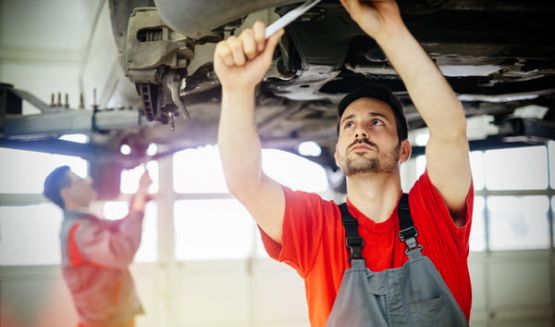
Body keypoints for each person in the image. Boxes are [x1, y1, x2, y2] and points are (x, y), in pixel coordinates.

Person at [214, 0, 473, 326]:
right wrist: (237, 90)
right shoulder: (317, 228)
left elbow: (449, 130)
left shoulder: (434, 215)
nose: (360, 130)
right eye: (348, 125)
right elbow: (245, 182)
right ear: (337, 153)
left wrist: (389, 30)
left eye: (376, 122)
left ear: (404, 150)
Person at [43, 166, 151, 327]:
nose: (89, 180)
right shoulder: (79, 230)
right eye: (79, 180)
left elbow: (119, 228)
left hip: (112, 319)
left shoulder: (85, 223)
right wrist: (140, 197)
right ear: (67, 194)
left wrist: (139, 196)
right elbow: (121, 252)